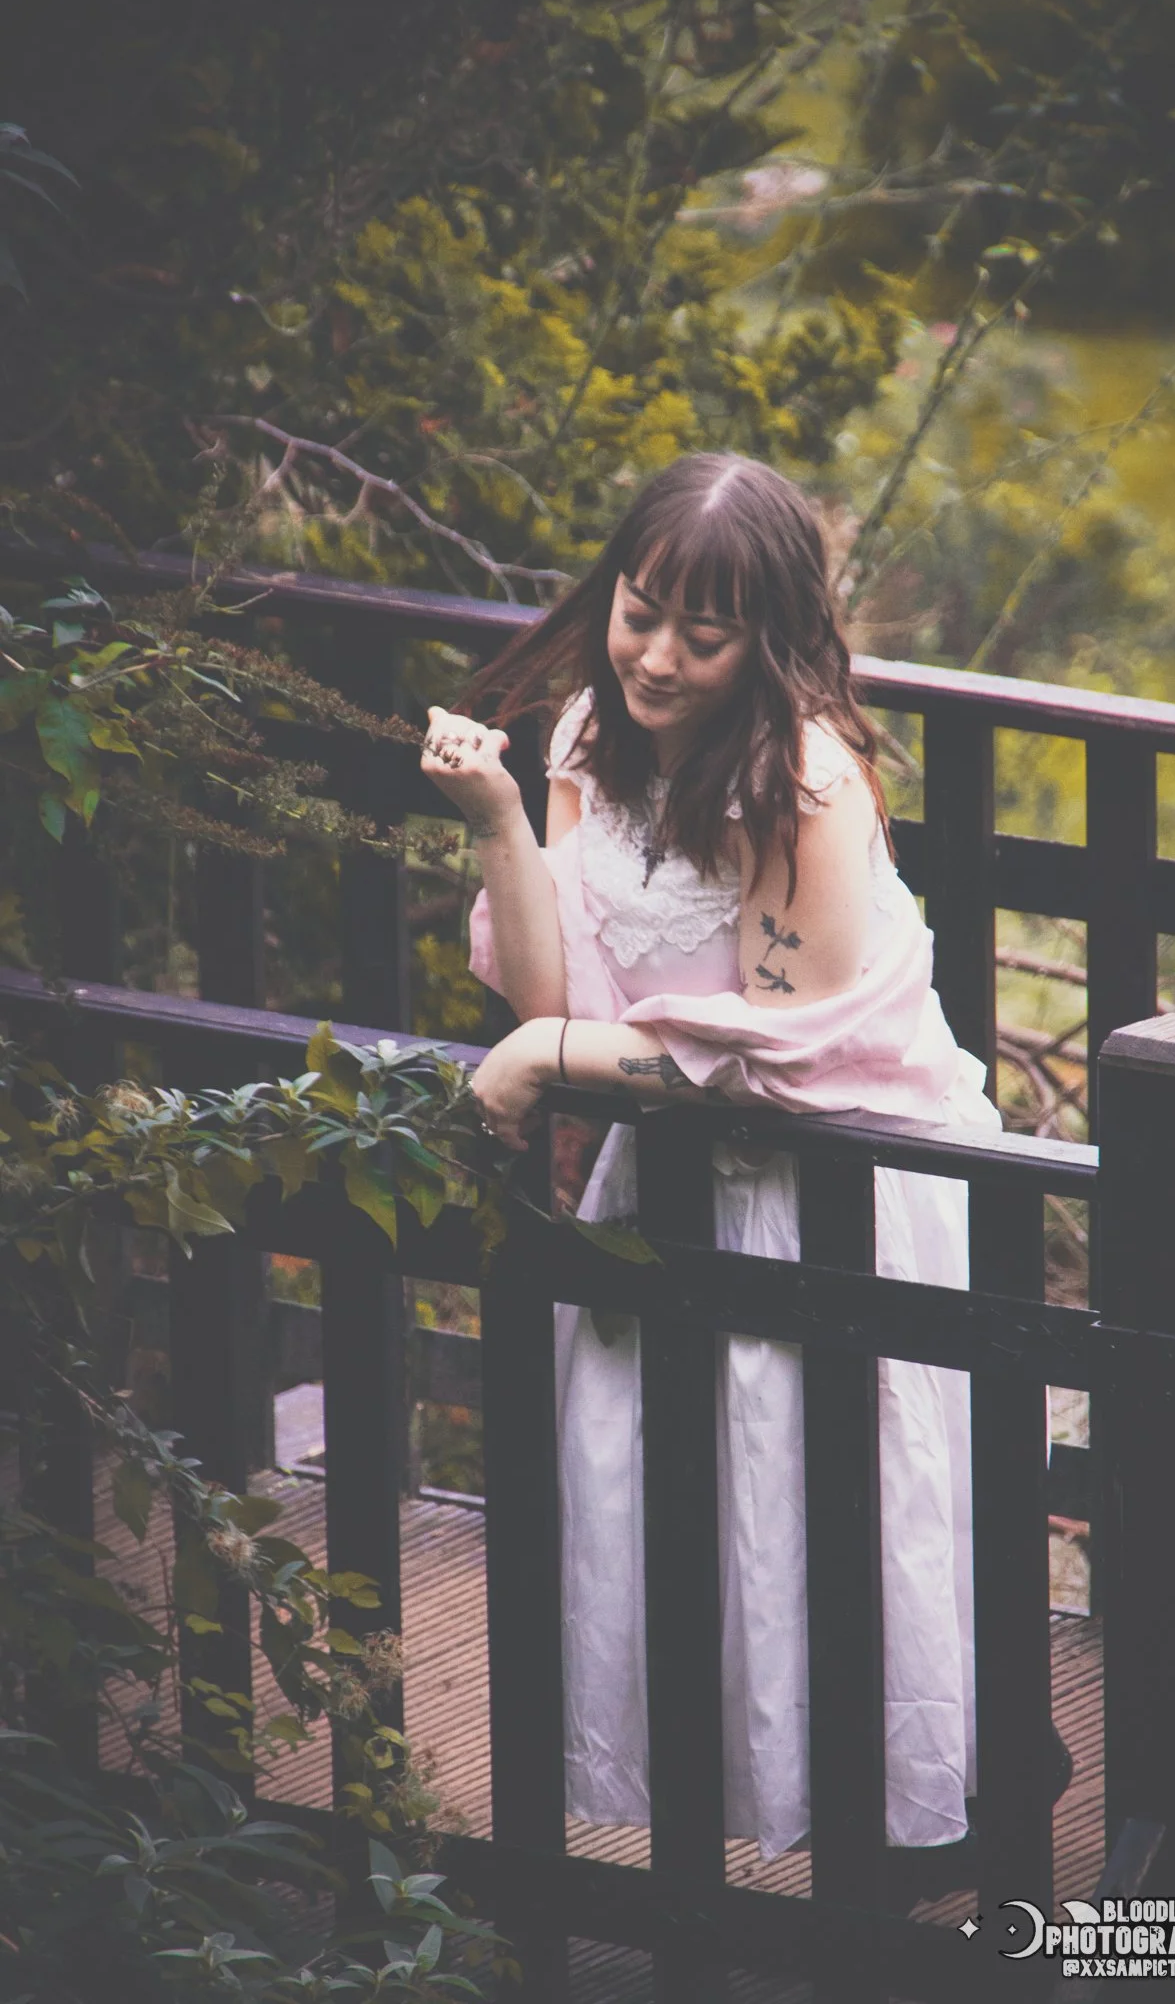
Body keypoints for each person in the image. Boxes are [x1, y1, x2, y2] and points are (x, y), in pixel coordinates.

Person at [420, 452, 1003, 1861]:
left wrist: (547, 1064)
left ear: (770, 638)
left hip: (831, 1181)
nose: (656, 658)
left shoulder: (807, 783)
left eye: (704, 631)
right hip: (663, 1169)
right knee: (652, 1483)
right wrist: (500, 818)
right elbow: (556, 1001)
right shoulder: (587, 735)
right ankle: (702, 1810)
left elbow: (768, 1060)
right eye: (639, 612)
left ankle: (867, 1837)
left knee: (827, 1506)